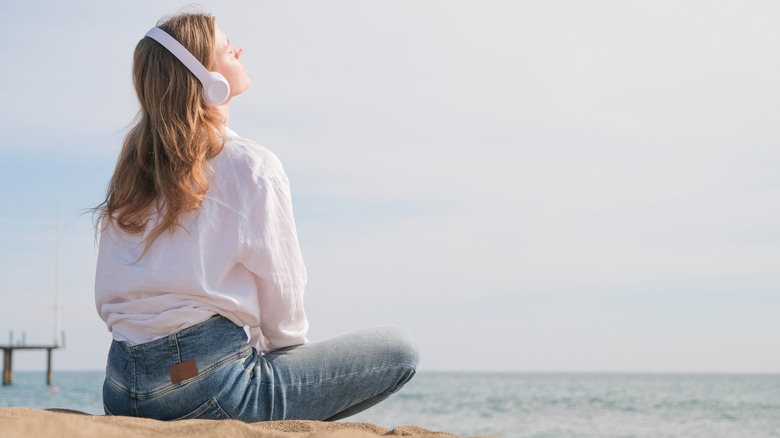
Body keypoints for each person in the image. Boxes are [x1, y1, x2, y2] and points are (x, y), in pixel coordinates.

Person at [93, 11, 418, 422]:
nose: (240, 51)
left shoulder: (131, 175)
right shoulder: (252, 165)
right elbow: (283, 298)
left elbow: (108, 296)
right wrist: (280, 354)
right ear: (208, 80)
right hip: (205, 384)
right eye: (228, 49)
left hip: (121, 390)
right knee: (401, 349)